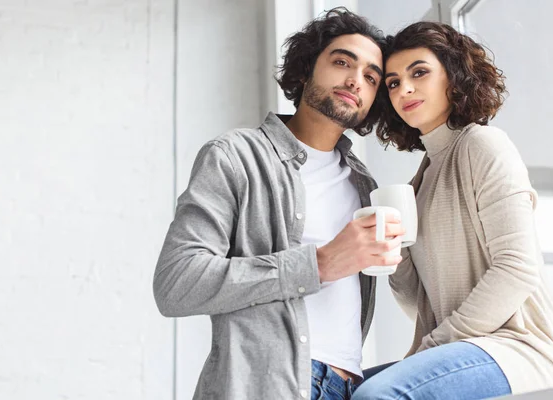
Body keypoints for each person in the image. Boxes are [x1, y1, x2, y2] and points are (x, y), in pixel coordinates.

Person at [153, 8, 405, 400]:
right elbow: (177, 283)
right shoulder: (235, 156)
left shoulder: (364, 185)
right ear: (305, 69)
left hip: (350, 386)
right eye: (342, 62)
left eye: (371, 77)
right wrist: (317, 264)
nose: (356, 80)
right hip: (268, 385)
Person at [352, 21, 553, 400]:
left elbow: (517, 270)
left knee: (376, 396)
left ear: (453, 77)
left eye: (419, 72)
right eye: (392, 82)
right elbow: (422, 304)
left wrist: (436, 343)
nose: (404, 88)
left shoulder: (483, 145)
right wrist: (395, 255)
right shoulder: (418, 182)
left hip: (518, 349)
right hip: (463, 347)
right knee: (334, 391)